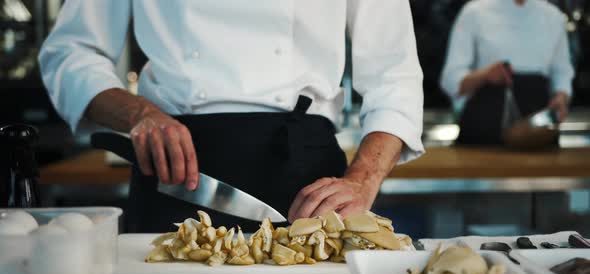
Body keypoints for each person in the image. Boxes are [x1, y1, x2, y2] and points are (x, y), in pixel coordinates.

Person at [39, 1, 424, 232]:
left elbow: (394, 73)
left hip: (305, 183)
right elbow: (70, 53)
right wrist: (139, 114)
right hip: (176, 170)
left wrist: (362, 180)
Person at [440, 0, 575, 145]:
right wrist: (485, 75)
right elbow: (450, 80)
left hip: (538, 133)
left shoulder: (552, 16)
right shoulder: (474, 12)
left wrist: (561, 99)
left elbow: (562, 73)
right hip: (483, 131)